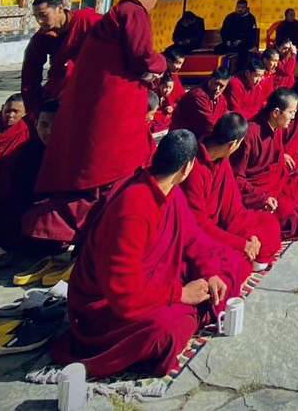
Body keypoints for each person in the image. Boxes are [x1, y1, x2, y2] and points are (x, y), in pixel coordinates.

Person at [50, 130, 218, 380]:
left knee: (217, 279)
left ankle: (193, 309)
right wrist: (180, 294)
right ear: (187, 168)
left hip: (147, 286)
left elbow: (192, 237)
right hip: (101, 309)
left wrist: (209, 272)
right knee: (167, 332)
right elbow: (123, 294)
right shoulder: (133, 209)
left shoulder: (171, 194)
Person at [34, 0, 168, 234]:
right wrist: (159, 64)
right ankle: (91, 224)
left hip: (94, 95)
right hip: (114, 101)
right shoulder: (133, 12)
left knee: (96, 159)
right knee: (112, 164)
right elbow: (142, 55)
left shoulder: (114, 13)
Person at [183, 112, 283, 266]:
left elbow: (234, 207)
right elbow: (198, 223)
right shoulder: (194, 168)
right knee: (233, 263)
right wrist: (241, 244)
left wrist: (248, 235)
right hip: (200, 234)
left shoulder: (221, 159)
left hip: (221, 226)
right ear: (233, 144)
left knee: (269, 225)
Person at [231, 88, 298, 241]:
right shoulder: (250, 135)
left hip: (276, 182)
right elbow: (236, 179)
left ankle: (292, 208)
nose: (293, 117)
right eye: (291, 112)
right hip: (257, 191)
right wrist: (262, 199)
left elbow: (275, 159)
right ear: (276, 113)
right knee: (293, 222)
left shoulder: (277, 126)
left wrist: (282, 156)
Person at [0, 100, 61, 257]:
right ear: (35, 123)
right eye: (44, 125)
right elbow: (13, 197)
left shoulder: (72, 152)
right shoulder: (25, 154)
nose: (49, 132)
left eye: (56, 126)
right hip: (22, 215)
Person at [22, 0, 102, 117]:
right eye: (36, 17)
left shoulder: (86, 20)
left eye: (43, 15)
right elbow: (30, 74)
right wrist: (34, 107)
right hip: (61, 89)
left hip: (94, 85)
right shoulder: (42, 38)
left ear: (59, 8)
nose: (40, 21)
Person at [171, 67, 233, 140]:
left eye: (222, 86)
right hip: (183, 138)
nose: (217, 89)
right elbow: (209, 126)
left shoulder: (221, 99)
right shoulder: (197, 96)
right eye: (216, 83)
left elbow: (224, 117)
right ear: (210, 79)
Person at [224, 51, 269, 119]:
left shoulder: (257, 85)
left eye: (261, 76)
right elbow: (235, 112)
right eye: (257, 76)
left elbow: (260, 105)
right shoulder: (235, 84)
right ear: (247, 73)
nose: (259, 80)